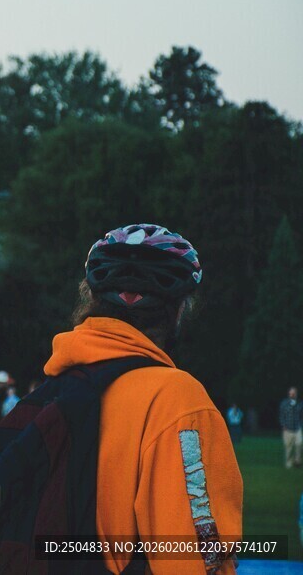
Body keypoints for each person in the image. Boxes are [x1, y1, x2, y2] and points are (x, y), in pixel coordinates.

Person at [33, 223, 240, 573]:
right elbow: (192, 556)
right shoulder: (177, 399)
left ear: (91, 300)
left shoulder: (54, 387)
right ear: (179, 310)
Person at [280, 387, 302, 469]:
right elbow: (281, 415)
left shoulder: (299, 403)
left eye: (293, 393)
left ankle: (297, 460)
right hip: (287, 429)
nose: (292, 395)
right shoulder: (284, 403)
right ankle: (288, 463)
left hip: (297, 428)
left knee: (299, 443)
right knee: (288, 447)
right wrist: (283, 425)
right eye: (290, 393)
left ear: (296, 394)